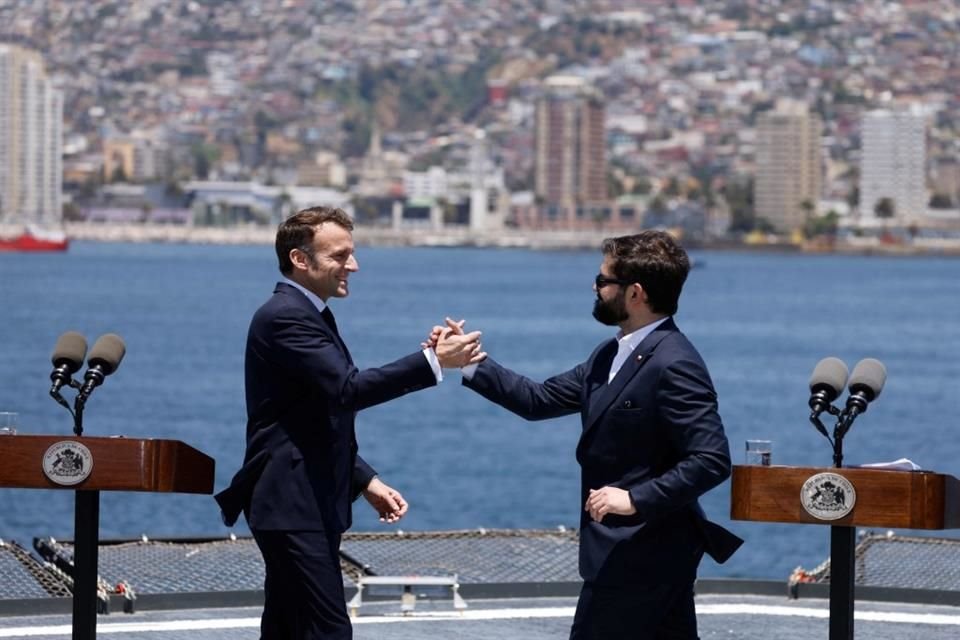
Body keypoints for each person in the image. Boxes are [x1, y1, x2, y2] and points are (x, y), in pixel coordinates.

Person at [438, 231, 742, 639]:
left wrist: (634, 499)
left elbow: (711, 459)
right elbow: (538, 399)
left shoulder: (674, 363)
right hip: (633, 554)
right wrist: (470, 361)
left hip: (644, 553)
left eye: (603, 281)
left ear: (635, 293)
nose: (594, 288)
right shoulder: (608, 355)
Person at [215, 206, 483, 640]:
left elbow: (312, 415)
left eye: (351, 254)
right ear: (300, 260)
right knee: (327, 631)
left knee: (289, 628)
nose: (353, 266)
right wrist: (434, 361)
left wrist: (364, 480)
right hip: (292, 505)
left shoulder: (308, 313)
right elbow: (346, 390)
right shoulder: (286, 316)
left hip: (299, 503)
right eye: (340, 256)